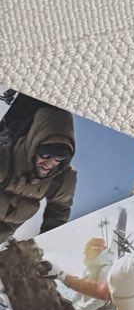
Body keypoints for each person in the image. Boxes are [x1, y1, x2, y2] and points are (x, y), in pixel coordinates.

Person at [0, 101, 77, 241]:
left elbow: (59, 210)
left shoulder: (61, 179)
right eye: (45, 155)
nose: (50, 164)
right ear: (34, 146)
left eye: (59, 158)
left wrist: (48, 240)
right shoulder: (4, 159)